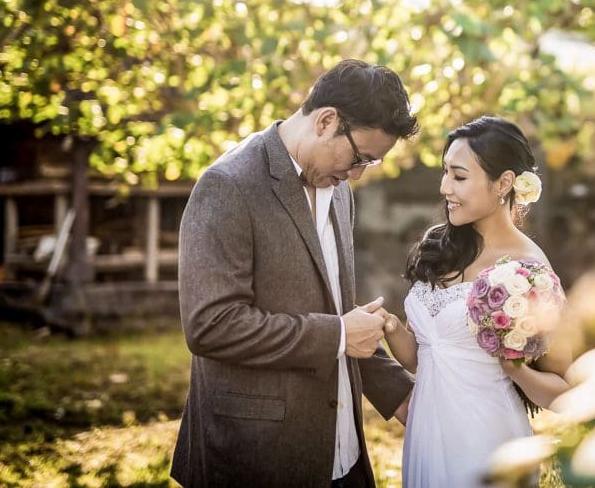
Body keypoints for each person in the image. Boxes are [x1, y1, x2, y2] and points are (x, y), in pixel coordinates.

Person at [171, 59, 418, 487]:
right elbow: (210, 326)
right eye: (360, 158)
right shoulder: (227, 186)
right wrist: (339, 334)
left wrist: (398, 391)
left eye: (370, 165)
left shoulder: (338, 191)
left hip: (343, 455)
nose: (357, 175)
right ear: (326, 120)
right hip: (257, 459)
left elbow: (332, 309)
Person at [378, 116, 571, 488]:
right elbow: (425, 356)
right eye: (445, 172)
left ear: (504, 183)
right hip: (425, 438)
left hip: (488, 444)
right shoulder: (438, 246)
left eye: (459, 176)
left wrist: (516, 369)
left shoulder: (529, 271)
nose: (445, 187)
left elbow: (565, 392)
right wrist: (389, 326)